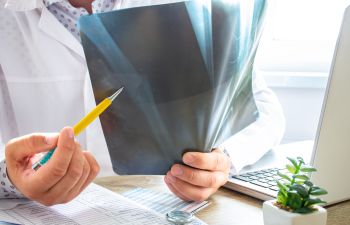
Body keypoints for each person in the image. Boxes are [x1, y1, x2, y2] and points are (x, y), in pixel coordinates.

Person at [0, 0, 285, 206]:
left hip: (164, 207)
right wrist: (9, 175)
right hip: (39, 213)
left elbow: (264, 109)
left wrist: (223, 160)